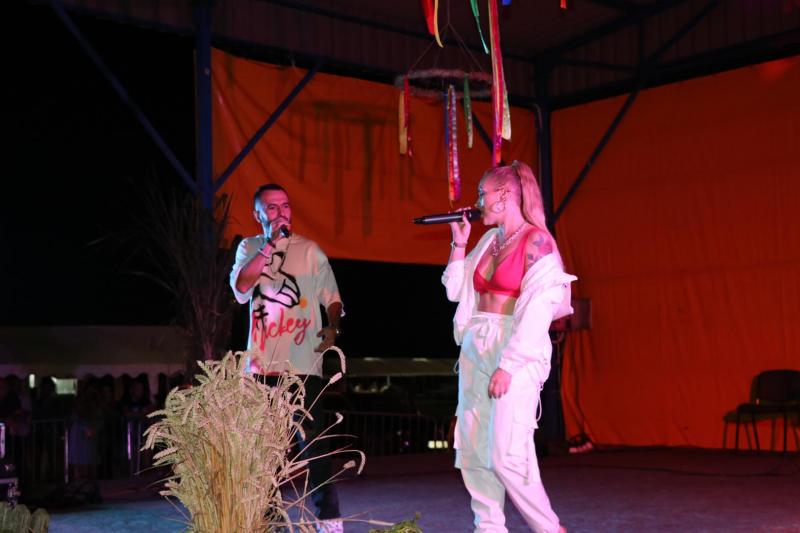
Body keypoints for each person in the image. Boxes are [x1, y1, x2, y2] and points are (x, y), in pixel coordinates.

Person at [442, 161, 576, 533]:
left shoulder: (537, 241)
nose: (478, 202)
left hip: (513, 348)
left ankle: (550, 529)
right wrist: (459, 243)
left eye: (482, 194)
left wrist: (509, 364)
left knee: (507, 452)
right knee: (473, 448)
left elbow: (539, 310)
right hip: (476, 345)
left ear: (504, 194)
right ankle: (488, 528)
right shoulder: (489, 240)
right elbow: (455, 291)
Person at [230, 183, 344, 533]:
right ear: (258, 215)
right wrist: (268, 245)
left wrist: (333, 326)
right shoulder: (249, 247)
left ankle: (328, 519)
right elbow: (241, 288)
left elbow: (332, 298)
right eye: (272, 207)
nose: (282, 212)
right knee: (263, 450)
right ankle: (270, 521)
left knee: (314, 444)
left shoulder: (310, 250)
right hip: (261, 368)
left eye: (285, 205)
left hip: (303, 366)